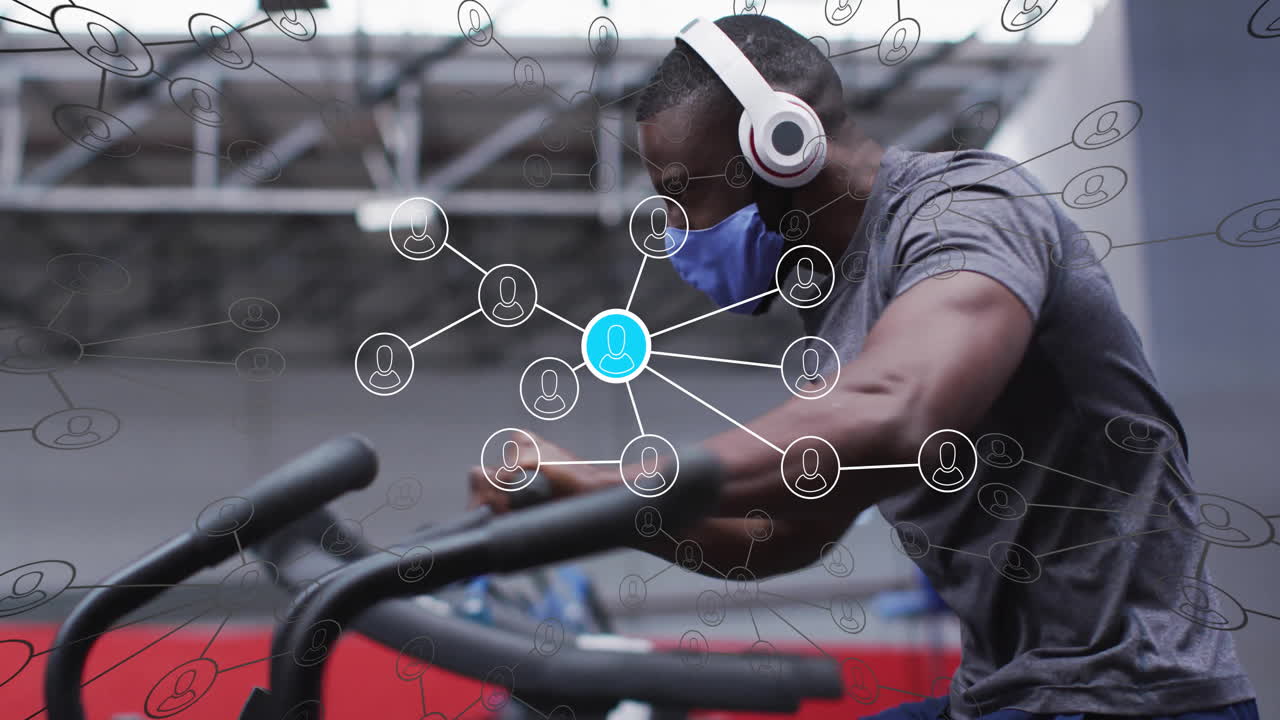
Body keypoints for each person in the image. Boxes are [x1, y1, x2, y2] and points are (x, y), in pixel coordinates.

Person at [469, 14, 1256, 720]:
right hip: (1006, 690)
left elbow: (901, 409)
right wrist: (593, 516)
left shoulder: (965, 210)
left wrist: (611, 487)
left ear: (779, 145)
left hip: (1131, 694)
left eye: (681, 197)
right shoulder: (836, 307)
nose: (677, 235)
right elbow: (780, 532)